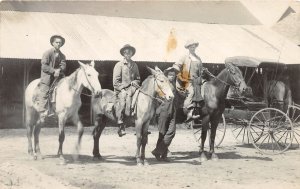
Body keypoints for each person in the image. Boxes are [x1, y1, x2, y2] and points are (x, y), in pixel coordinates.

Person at [173, 39, 205, 122]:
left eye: (194, 46)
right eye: (191, 46)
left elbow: (201, 70)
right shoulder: (184, 57)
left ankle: (200, 110)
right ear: (188, 48)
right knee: (191, 92)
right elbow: (176, 66)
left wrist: (203, 72)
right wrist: (180, 76)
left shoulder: (198, 58)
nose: (193, 47)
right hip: (187, 81)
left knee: (204, 92)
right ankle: (187, 111)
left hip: (197, 80)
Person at [36, 35, 66, 120]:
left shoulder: (62, 56)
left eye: (60, 43)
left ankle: (58, 109)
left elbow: (63, 66)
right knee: (45, 91)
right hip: (48, 77)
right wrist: (54, 71)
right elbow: (44, 66)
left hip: (58, 77)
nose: (58, 44)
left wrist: (59, 71)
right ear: (53, 43)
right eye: (57, 42)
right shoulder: (47, 53)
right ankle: (42, 111)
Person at [113, 44, 140, 137]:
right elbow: (115, 81)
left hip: (132, 88)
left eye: (130, 52)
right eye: (126, 52)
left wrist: (134, 82)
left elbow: (138, 78)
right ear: (123, 54)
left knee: (139, 98)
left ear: (132, 54)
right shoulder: (119, 65)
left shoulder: (134, 65)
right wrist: (122, 89)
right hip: (121, 88)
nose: (128, 54)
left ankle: (137, 123)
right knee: (123, 99)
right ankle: (120, 124)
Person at [152, 67, 178, 162]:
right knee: (162, 133)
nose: (172, 77)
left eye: (173, 76)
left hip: (172, 110)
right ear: (166, 76)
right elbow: (155, 97)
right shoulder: (162, 85)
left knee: (171, 132)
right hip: (163, 110)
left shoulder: (174, 85)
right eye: (170, 75)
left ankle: (157, 151)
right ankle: (163, 155)